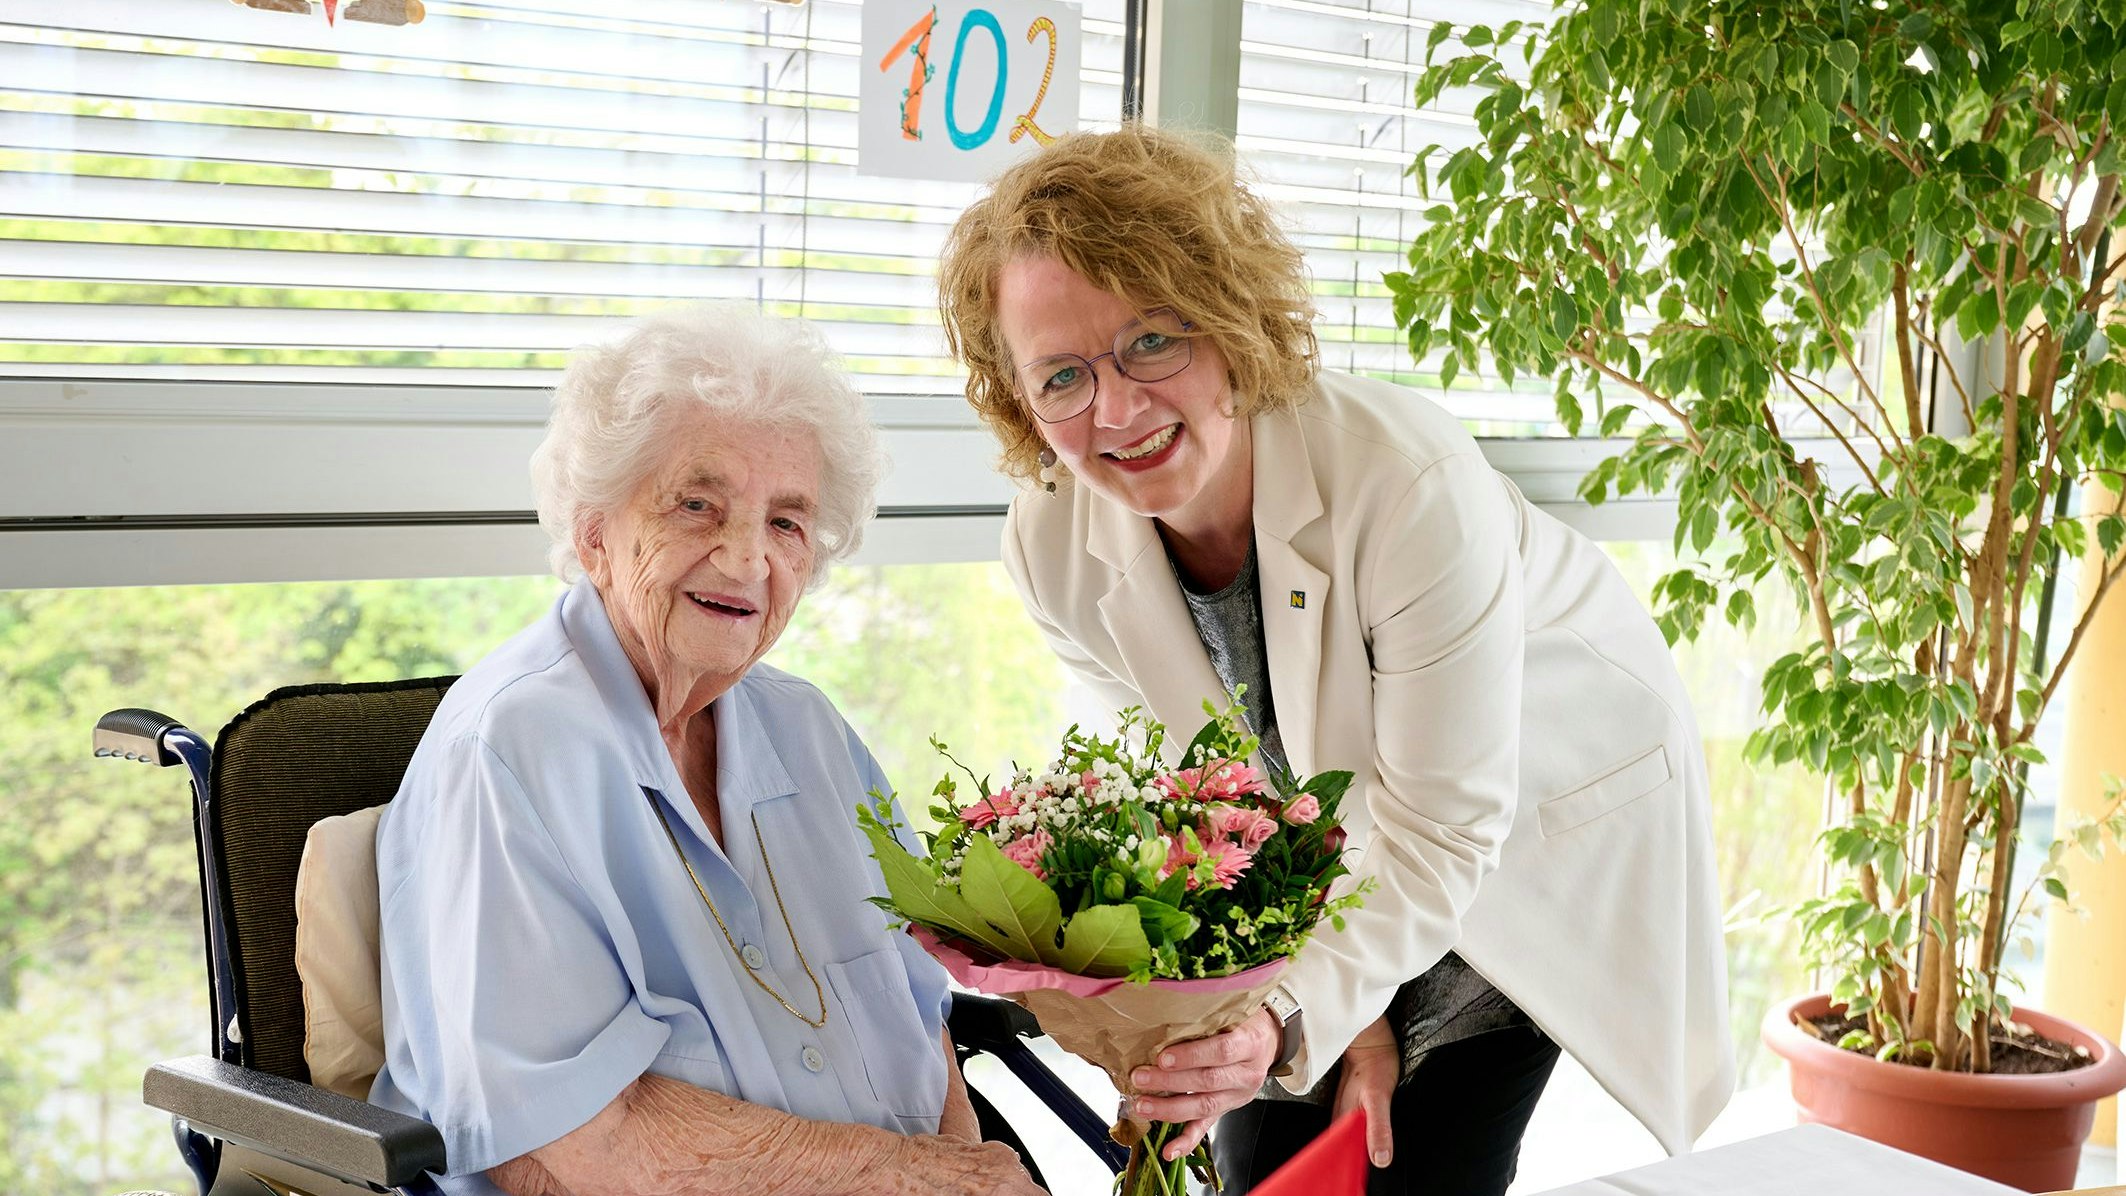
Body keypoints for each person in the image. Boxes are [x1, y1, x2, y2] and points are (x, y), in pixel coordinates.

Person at [937, 126, 1734, 1194]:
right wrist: (1326, 1013)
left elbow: (1441, 830)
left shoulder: (1405, 484)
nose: (1115, 411)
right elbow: (1208, 799)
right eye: (1062, 376)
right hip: (1332, 853)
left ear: (1230, 318)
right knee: (1269, 1165)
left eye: (1152, 341)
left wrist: (1283, 1012)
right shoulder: (1051, 542)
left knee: (1422, 1162)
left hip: (1519, 823)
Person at [368, 306, 1044, 1196]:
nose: (746, 559)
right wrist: (912, 1178)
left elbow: (922, 1022)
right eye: (698, 506)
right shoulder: (508, 752)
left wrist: (966, 1174)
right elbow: (567, 1143)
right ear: (594, 531)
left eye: (787, 523)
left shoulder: (811, 733)